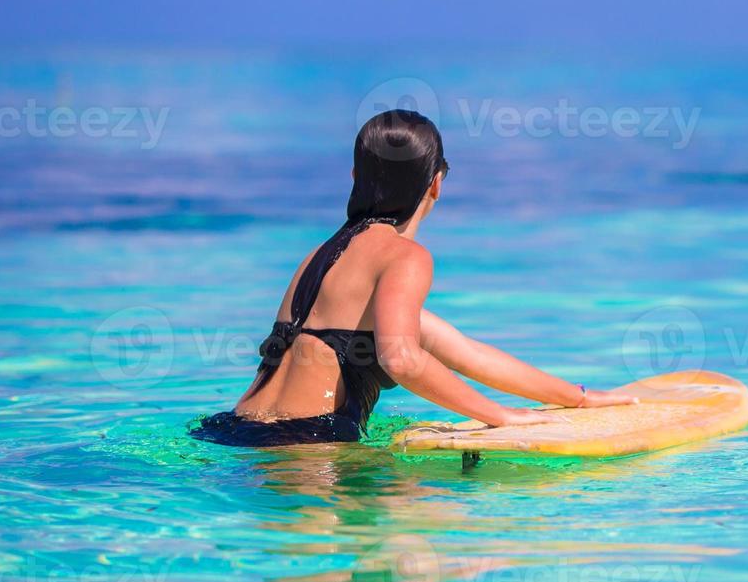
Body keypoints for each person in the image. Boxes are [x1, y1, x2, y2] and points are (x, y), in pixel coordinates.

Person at [192, 109, 634, 447]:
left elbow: (463, 352)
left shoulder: (319, 258)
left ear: (354, 177)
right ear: (436, 183)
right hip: (306, 449)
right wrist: (502, 417)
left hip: (233, 433)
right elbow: (401, 359)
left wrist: (577, 396)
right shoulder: (405, 256)